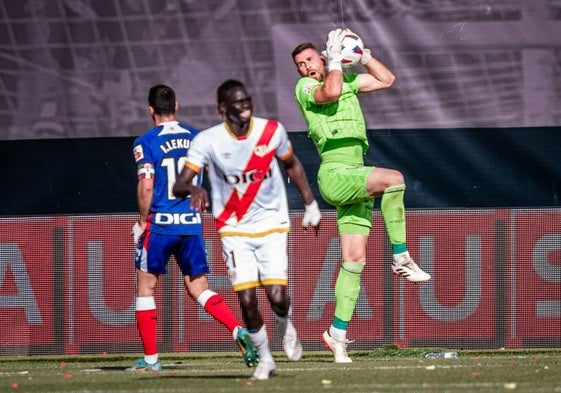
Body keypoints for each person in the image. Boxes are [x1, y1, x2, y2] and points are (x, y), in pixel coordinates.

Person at [291, 29, 431, 363]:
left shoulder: (346, 78)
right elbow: (332, 89)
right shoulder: (307, 88)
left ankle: (336, 335)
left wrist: (362, 54)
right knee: (394, 179)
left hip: (354, 172)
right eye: (299, 64)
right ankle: (401, 257)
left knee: (354, 262)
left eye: (309, 59)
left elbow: (387, 79)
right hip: (336, 174)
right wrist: (337, 61)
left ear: (321, 58)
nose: (305, 67)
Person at [172, 79, 321, 380]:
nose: (245, 106)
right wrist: (192, 189)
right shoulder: (207, 140)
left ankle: (285, 321)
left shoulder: (271, 131)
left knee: (277, 295)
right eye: (238, 103)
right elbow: (178, 184)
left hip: (271, 224)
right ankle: (265, 359)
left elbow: (291, 164)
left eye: (248, 100)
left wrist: (310, 204)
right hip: (233, 228)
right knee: (247, 299)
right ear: (222, 108)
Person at [127, 84, 258, 372]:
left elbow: (147, 185)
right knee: (199, 287)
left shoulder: (145, 142)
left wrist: (141, 222)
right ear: (176, 105)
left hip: (160, 226)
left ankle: (150, 361)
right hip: (190, 225)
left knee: (146, 289)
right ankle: (238, 330)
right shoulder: (197, 137)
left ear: (150, 109)